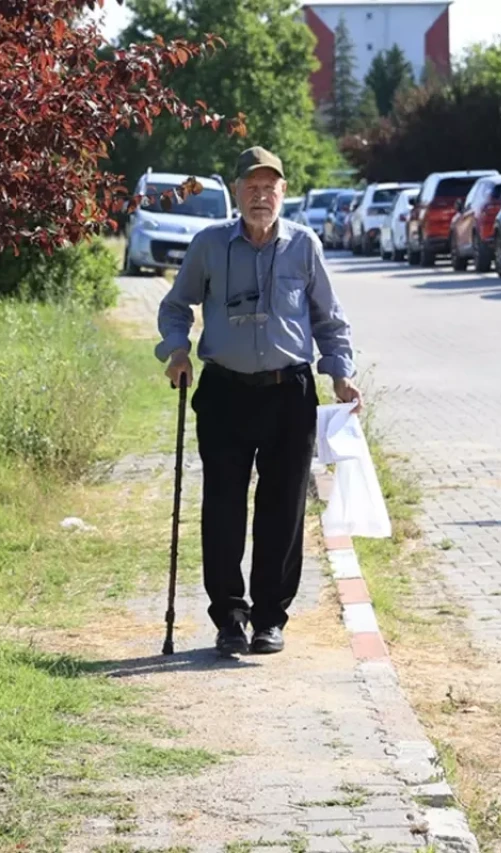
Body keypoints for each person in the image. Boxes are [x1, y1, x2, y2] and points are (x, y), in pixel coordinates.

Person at [156, 146, 362, 656]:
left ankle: (271, 618)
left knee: (283, 510)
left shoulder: (304, 246)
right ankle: (229, 617)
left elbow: (329, 320)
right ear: (237, 192)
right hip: (224, 391)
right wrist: (177, 350)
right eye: (252, 188)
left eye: (270, 188)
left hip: (288, 393)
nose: (260, 197)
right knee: (223, 507)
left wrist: (340, 374)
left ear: (283, 193)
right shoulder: (209, 245)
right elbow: (176, 306)